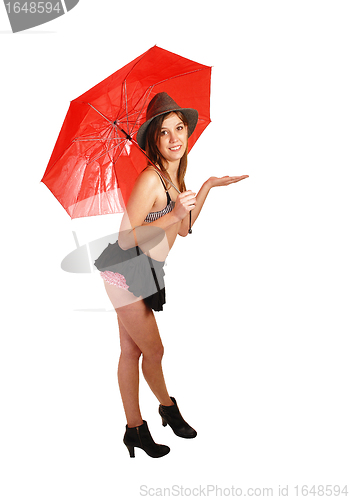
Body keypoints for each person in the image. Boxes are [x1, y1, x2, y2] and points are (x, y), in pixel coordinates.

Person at [94, 92, 248, 458]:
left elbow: (183, 229)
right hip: (124, 268)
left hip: (147, 269)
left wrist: (206, 187)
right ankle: (168, 408)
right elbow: (125, 237)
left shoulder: (174, 178)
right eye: (165, 132)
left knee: (131, 351)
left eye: (179, 127)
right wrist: (175, 211)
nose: (175, 137)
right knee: (155, 350)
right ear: (154, 140)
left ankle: (134, 430)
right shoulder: (151, 179)